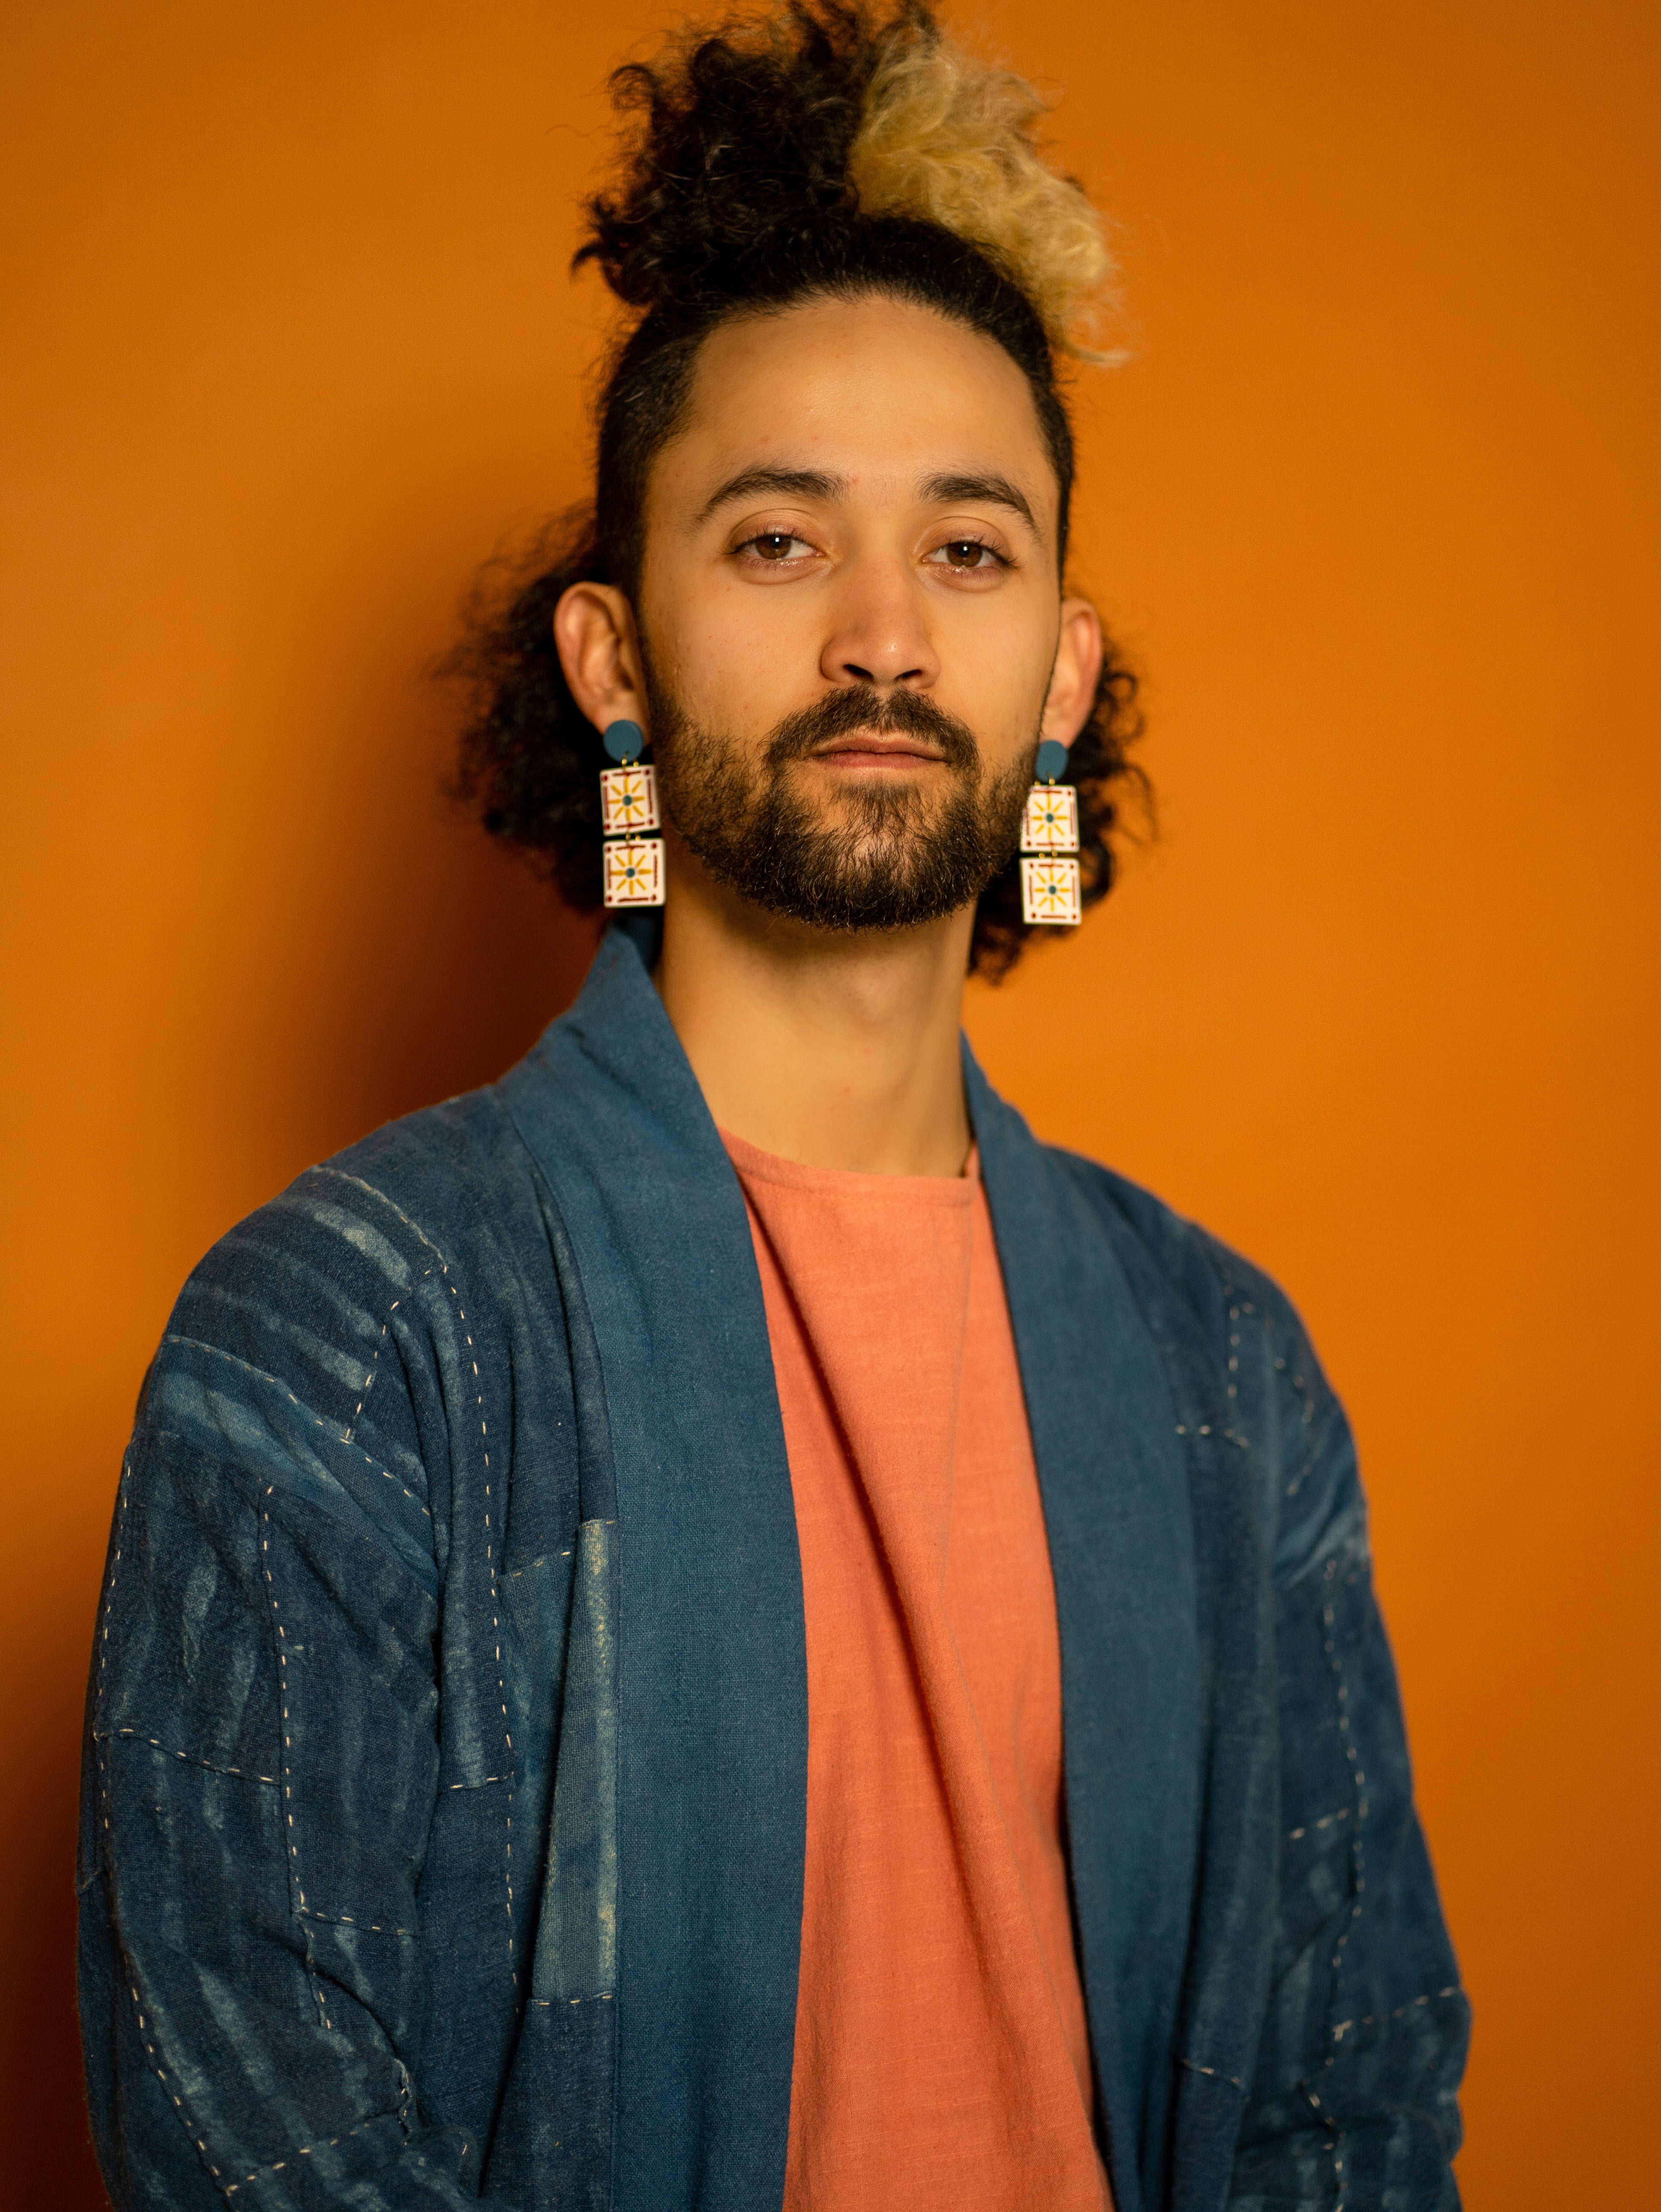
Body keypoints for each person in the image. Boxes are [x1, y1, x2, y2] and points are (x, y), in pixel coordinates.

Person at [77, 6, 1468, 2207]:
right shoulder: (343, 1339)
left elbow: (1351, 2106)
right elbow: (257, 2138)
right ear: (614, 661)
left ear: (1063, 676)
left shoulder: (1229, 1374)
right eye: (778, 543)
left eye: (971, 550)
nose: (884, 639)